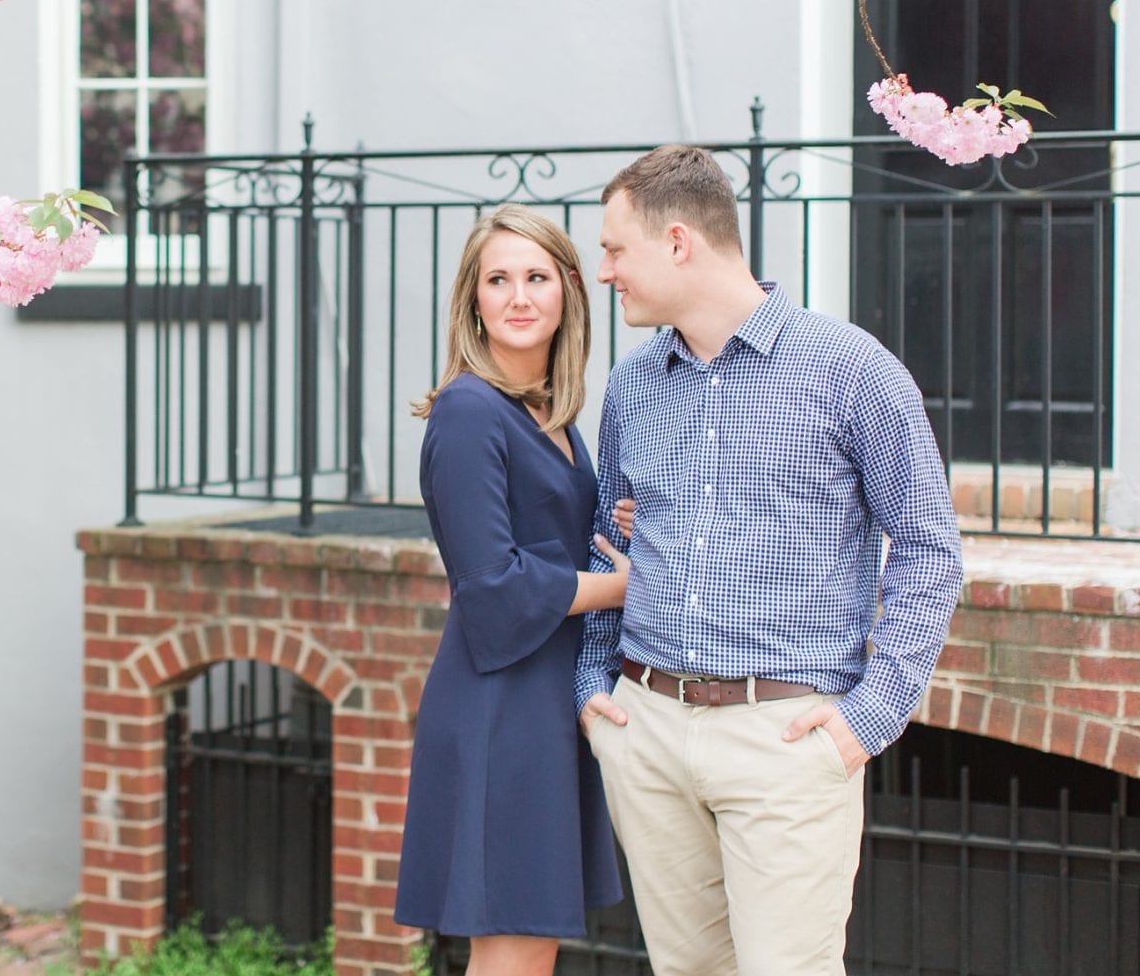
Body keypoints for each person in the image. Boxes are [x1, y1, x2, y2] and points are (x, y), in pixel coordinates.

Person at [575, 145, 964, 976]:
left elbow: (931, 548)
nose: (604, 271)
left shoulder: (854, 371)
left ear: (678, 241)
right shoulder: (635, 386)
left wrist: (871, 715)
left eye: (615, 249)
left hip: (785, 735)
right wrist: (594, 686)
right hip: (646, 724)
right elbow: (607, 539)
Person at [395, 205, 626, 976]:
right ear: (474, 299)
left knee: (531, 946)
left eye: (536, 276)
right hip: (499, 704)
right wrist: (625, 588)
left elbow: (553, 530)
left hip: (544, 698)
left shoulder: (554, 416)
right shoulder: (467, 411)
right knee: (512, 948)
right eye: (498, 279)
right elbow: (491, 585)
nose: (518, 295)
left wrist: (617, 515)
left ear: (568, 292)